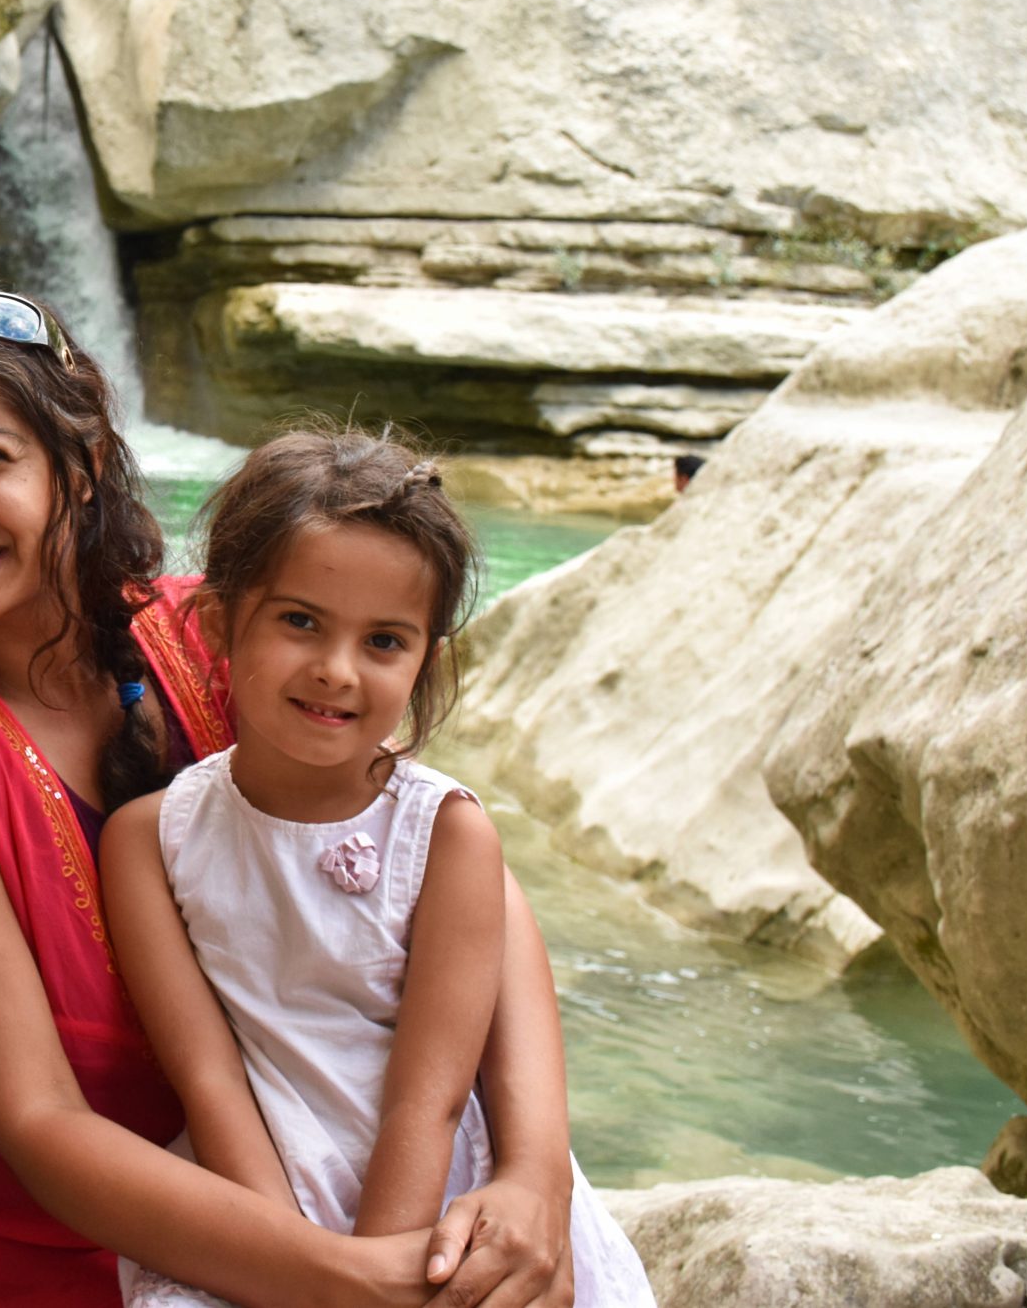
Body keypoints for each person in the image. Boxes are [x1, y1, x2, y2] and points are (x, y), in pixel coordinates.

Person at [0, 292, 583, 1308]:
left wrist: (533, 1176)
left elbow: (458, 877)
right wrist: (345, 1280)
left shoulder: (227, 634)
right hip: (53, 1264)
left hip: (344, 1210)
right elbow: (40, 1124)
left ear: (80, 465)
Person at [103, 428, 652, 1308]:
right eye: (300, 621)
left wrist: (387, 1275)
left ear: (424, 662)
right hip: (258, 1194)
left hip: (432, 1200)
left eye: (384, 642)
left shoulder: (448, 834)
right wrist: (296, 1270)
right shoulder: (147, 838)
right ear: (216, 625)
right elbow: (209, 1078)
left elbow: (425, 1099)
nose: (336, 670)